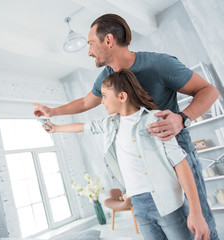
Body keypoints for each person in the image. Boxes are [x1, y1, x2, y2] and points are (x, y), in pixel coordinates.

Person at [33, 14, 219, 239]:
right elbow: (84, 103)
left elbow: (209, 91)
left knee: (202, 224)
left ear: (108, 40)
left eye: (91, 43)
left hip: (175, 154)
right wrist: (52, 112)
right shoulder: (107, 78)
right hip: (146, 172)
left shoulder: (159, 64)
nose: (89, 51)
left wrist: (182, 118)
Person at [42, 69, 210, 239]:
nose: (102, 101)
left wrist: (196, 212)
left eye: (105, 96)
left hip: (168, 204)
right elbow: (83, 127)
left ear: (122, 97)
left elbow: (180, 163)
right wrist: (56, 129)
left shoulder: (153, 120)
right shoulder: (110, 124)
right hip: (139, 206)